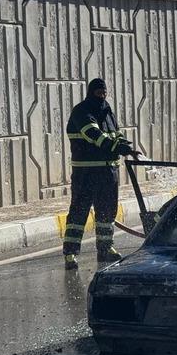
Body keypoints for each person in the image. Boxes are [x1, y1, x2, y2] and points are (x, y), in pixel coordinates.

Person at [63, 79, 140, 270]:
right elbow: (94, 135)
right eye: (99, 93)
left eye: (104, 93)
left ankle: (105, 248)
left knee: (107, 212)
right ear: (91, 93)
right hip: (86, 172)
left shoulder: (107, 111)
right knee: (79, 212)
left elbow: (115, 134)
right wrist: (117, 147)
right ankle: (70, 253)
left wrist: (126, 146)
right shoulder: (82, 112)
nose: (102, 96)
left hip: (108, 171)